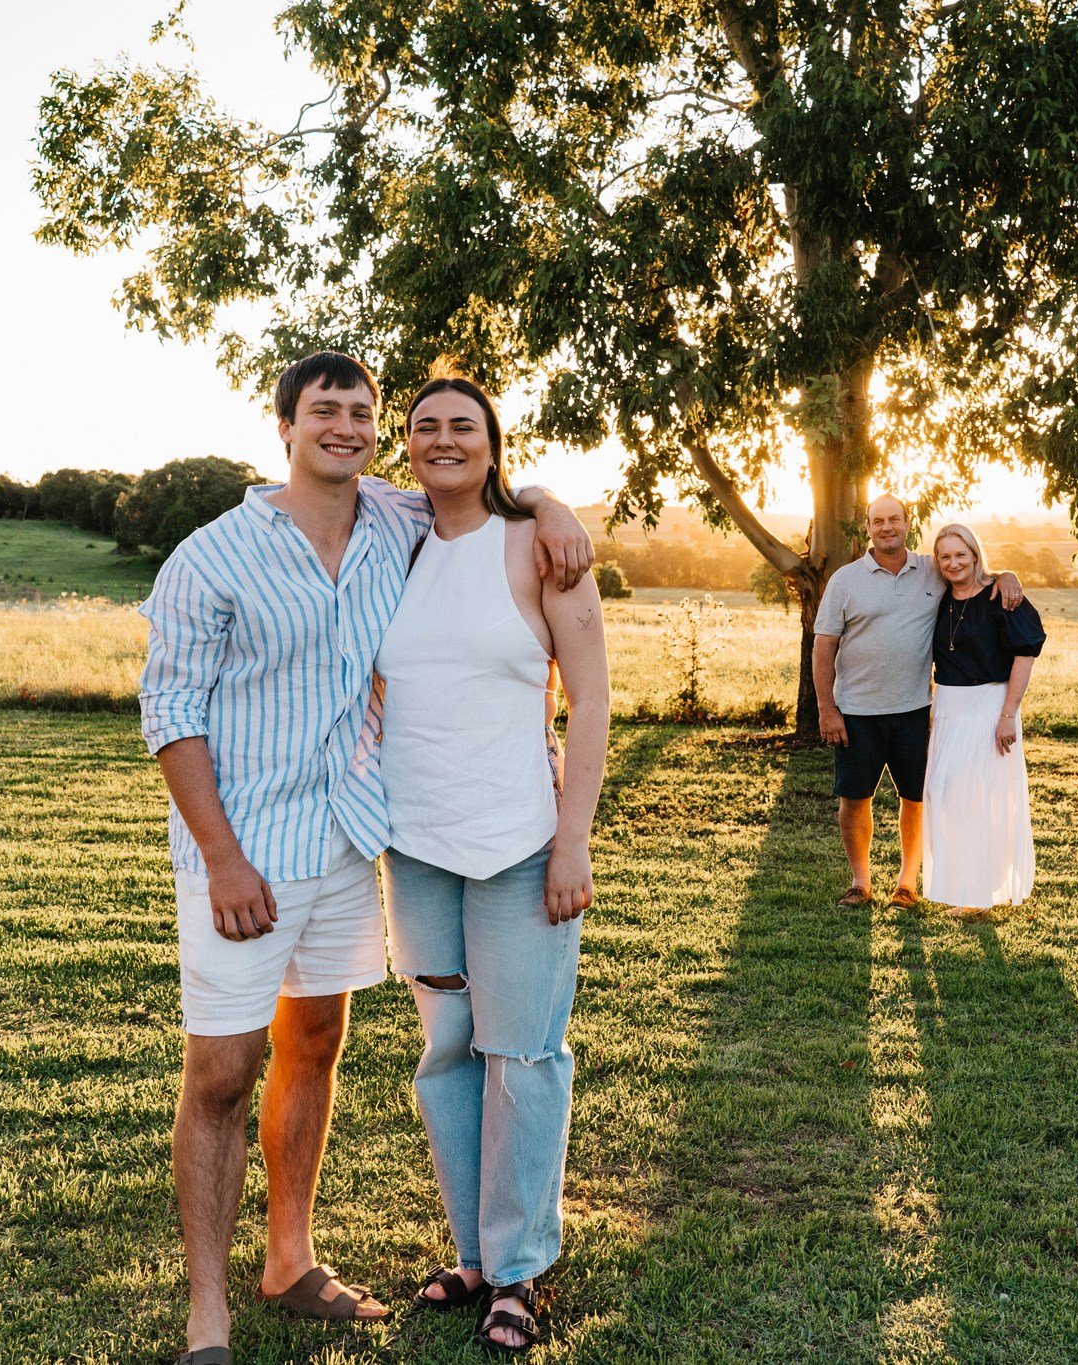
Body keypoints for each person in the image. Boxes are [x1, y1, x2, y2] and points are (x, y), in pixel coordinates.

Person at [137, 351, 593, 1365]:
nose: (344, 426)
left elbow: (485, 485)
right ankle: (207, 1315)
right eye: (322, 411)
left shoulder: (396, 519)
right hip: (250, 854)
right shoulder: (212, 556)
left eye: (360, 412)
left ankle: (294, 1263)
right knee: (222, 1072)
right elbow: (168, 712)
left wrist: (553, 500)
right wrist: (220, 857)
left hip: (354, 842)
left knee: (318, 1048)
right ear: (286, 426)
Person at [373, 376, 609, 1355]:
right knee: (446, 1053)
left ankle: (520, 1270)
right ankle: (472, 1251)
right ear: (406, 446)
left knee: (521, 1055)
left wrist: (573, 839)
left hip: (520, 844)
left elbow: (590, 699)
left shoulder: (539, 547)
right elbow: (284, 500)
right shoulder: (390, 539)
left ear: (491, 442)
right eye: (423, 427)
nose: (441, 440)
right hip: (414, 845)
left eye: (460, 426)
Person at [812, 496, 1022, 909]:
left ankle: (906, 884)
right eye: (878, 521)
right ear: (867, 528)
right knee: (855, 799)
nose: (886, 526)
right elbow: (823, 646)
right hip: (855, 711)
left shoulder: (931, 568)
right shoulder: (845, 580)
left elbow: (972, 573)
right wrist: (826, 708)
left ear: (908, 523)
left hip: (915, 712)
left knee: (917, 797)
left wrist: (1009, 574)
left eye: (894, 519)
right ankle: (860, 883)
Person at [922, 523, 1044, 917]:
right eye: (945, 556)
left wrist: (1008, 715)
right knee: (947, 799)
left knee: (985, 799)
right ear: (937, 562)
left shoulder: (1000, 596)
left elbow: (1023, 657)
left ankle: (982, 893)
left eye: (961, 554)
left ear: (975, 555)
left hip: (991, 706)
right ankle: (961, 885)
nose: (953, 563)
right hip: (948, 708)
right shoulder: (939, 599)